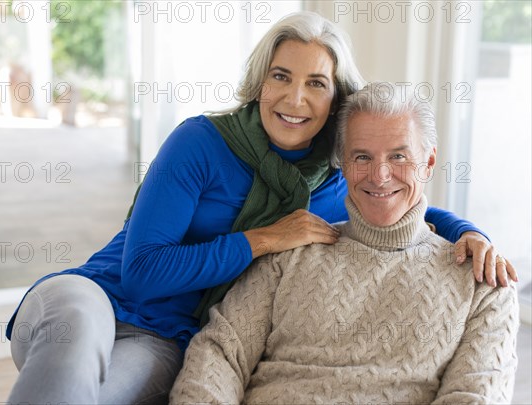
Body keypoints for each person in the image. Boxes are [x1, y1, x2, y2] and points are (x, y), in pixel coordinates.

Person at [6, 12, 517, 405]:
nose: (295, 98)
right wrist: (264, 238)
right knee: (71, 343)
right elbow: (139, 274)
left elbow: (398, 198)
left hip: (169, 338)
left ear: (336, 98)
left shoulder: (338, 176)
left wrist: (471, 232)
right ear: (260, 82)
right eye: (281, 76)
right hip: (97, 295)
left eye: (316, 83)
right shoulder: (201, 142)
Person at [169, 82, 520, 404]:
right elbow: (219, 353)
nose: (380, 176)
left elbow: (474, 396)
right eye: (363, 157)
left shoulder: (483, 284)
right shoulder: (291, 253)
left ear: (428, 163)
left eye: (398, 156)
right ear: (344, 166)